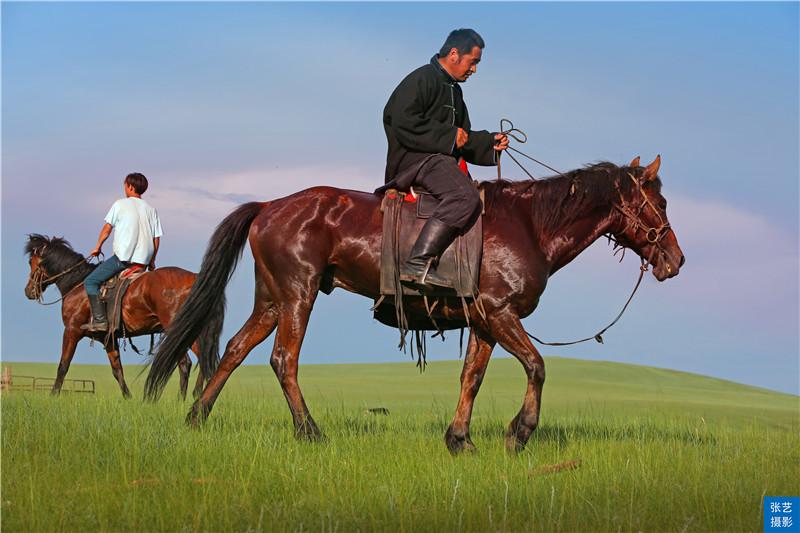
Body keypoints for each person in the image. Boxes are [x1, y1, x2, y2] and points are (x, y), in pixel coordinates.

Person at [378, 28, 509, 290]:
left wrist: (489, 143)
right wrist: (448, 135)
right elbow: (399, 119)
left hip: (439, 161)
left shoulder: (454, 92)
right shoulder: (421, 79)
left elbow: (463, 139)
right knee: (464, 197)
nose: (474, 70)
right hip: (415, 162)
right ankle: (417, 263)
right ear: (453, 54)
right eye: (473, 62)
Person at [82, 172, 163, 332]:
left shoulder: (120, 204)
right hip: (142, 262)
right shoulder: (151, 209)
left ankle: (100, 321)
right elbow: (156, 238)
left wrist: (97, 247)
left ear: (130, 186)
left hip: (123, 259)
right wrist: (152, 260)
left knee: (90, 282)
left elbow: (107, 229)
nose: (124, 188)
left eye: (125, 185)